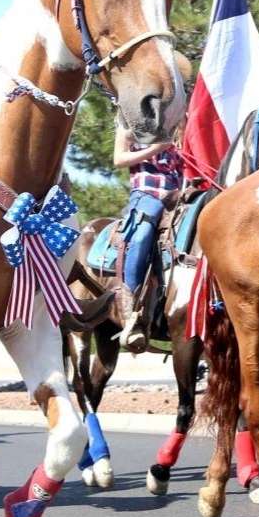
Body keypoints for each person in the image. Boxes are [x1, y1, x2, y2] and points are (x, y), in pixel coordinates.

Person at [113, 121, 184, 352]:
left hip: (176, 199)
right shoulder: (130, 127)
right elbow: (119, 159)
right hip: (147, 195)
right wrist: (157, 148)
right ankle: (130, 305)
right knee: (142, 235)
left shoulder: (177, 131)